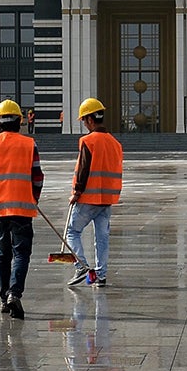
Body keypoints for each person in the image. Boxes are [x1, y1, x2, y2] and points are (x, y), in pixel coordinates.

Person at [0, 100, 42, 319]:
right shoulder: (29, 144)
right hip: (22, 207)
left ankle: (5, 299)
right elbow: (37, 177)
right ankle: (15, 293)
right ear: (19, 121)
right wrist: (35, 198)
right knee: (21, 252)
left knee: (3, 253)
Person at [65, 97, 122, 288]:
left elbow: (83, 169)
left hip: (88, 197)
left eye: (83, 120)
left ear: (90, 119)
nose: (84, 124)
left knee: (72, 232)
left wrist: (76, 192)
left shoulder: (88, 141)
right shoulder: (115, 143)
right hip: (107, 199)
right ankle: (100, 276)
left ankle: (80, 265)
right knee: (102, 238)